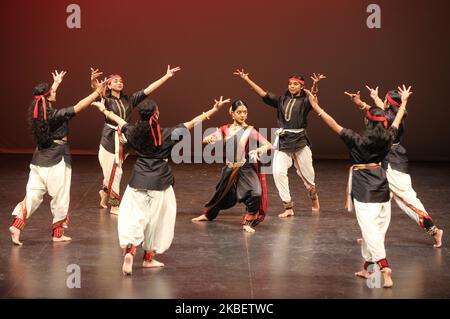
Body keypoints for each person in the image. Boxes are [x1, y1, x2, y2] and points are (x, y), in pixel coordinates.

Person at [92, 96, 230, 275]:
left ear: (140, 115)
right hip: (160, 182)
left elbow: (119, 121)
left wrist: (103, 110)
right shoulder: (167, 134)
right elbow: (193, 122)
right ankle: (148, 259)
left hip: (138, 181)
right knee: (158, 221)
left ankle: (130, 251)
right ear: (156, 114)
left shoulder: (133, 132)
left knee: (133, 217)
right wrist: (214, 110)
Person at [304, 85, 413, 288]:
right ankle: (367, 268)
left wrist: (317, 108)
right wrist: (404, 102)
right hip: (382, 187)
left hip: (365, 190)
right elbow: (396, 122)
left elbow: (333, 124)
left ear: (367, 121)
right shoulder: (388, 137)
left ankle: (384, 268)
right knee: (374, 231)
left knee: (370, 231)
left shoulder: (357, 140)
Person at [9, 70, 105, 245]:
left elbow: (45, 96)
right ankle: (57, 234)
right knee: (60, 196)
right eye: (53, 92)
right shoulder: (55, 116)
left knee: (32, 196)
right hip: (56, 160)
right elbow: (80, 105)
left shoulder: (38, 112)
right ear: (47, 97)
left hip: (38, 161)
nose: (55, 93)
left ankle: (16, 226)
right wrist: (97, 93)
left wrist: (56, 83)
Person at [345, 86, 443, 248]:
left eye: (384, 100)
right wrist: (373, 98)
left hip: (393, 163)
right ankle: (372, 236)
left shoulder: (389, 118)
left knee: (407, 200)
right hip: (388, 161)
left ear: (389, 105)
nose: (382, 101)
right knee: (378, 201)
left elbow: (375, 114)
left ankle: (434, 230)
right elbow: (379, 111)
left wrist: (360, 102)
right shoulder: (395, 115)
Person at [234, 69, 325, 218]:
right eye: (290, 84)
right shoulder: (282, 100)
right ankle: (288, 207)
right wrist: (247, 79)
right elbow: (263, 93)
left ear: (301, 86)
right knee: (277, 172)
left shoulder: (305, 101)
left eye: (296, 84)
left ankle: (313, 196)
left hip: (300, 140)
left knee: (308, 176)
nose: (292, 86)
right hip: (283, 140)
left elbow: (313, 98)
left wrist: (315, 85)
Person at [91, 65, 181, 214]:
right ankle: (114, 205)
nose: (119, 83)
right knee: (116, 171)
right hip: (109, 139)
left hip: (124, 139)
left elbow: (149, 89)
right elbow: (97, 90)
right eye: (115, 81)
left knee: (112, 171)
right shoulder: (105, 99)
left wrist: (166, 76)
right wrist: (93, 81)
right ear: (109, 85)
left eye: (121, 81)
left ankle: (104, 193)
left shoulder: (129, 100)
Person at [191, 100, 272, 233]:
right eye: (239, 112)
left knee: (256, 193)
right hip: (230, 168)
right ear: (232, 114)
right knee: (219, 195)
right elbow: (207, 139)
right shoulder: (225, 129)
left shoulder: (250, 130)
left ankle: (248, 222)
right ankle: (208, 215)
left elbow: (268, 145)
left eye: (245, 112)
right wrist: (209, 139)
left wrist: (258, 150)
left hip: (245, 168)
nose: (242, 115)